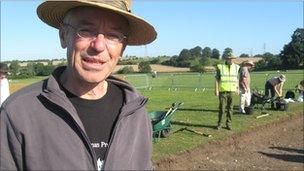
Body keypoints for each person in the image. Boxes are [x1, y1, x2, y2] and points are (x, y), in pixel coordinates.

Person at [0, 0, 157, 170]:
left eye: (113, 35)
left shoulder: (136, 112)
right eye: (86, 31)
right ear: (63, 35)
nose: (99, 46)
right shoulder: (18, 113)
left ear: (122, 47)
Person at [214, 53, 240, 130]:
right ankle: (219, 124)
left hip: (232, 91)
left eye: (232, 58)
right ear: (226, 59)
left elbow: (237, 79)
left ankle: (228, 124)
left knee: (230, 108)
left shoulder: (236, 67)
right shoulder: (220, 67)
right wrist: (216, 89)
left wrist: (237, 88)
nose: (230, 60)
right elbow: (217, 79)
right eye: (229, 58)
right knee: (222, 108)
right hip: (223, 92)